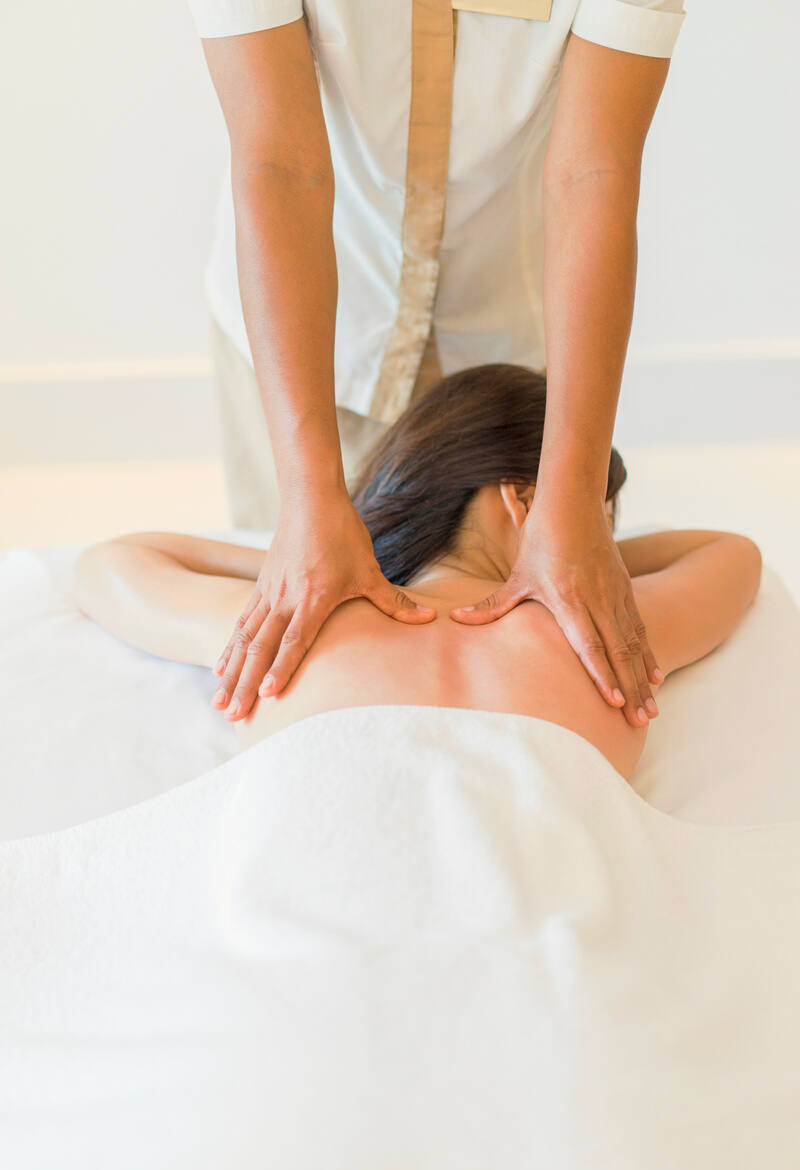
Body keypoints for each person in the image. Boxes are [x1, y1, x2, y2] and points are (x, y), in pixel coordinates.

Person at [185, 0, 687, 727]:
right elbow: (279, 164)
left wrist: (573, 506)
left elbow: (593, 174)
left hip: (504, 332)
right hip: (310, 332)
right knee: (293, 588)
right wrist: (304, 501)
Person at [74, 365, 761, 782]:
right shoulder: (600, 638)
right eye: (598, 526)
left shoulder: (297, 627)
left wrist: (305, 569)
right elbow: (732, 553)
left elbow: (110, 564)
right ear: (523, 500)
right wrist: (583, 559)